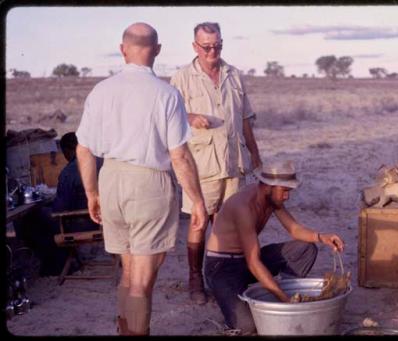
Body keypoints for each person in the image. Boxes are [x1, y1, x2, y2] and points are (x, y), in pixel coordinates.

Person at [75, 22, 208, 336]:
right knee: (141, 284)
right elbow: (180, 156)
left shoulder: (100, 91)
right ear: (157, 50)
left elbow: (83, 150)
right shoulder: (166, 93)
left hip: (110, 179)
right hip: (149, 184)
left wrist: (92, 193)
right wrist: (198, 201)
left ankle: (124, 331)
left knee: (128, 274)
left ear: (123, 49)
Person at [170, 21, 262, 305]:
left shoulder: (234, 74)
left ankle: (225, 277)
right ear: (195, 46)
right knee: (199, 221)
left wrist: (255, 152)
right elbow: (169, 116)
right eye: (206, 46)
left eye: (217, 45)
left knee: (230, 223)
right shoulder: (181, 77)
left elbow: (245, 118)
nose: (213, 51)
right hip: (202, 165)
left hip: (234, 163)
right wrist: (190, 117)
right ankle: (195, 279)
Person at [203, 160, 345, 334]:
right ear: (268, 186)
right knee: (248, 326)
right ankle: (276, 296)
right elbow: (253, 263)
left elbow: (294, 229)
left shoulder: (271, 199)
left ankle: (276, 293)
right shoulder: (244, 207)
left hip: (246, 260)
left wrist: (321, 237)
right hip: (222, 267)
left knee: (306, 248)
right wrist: (285, 301)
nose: (287, 196)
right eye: (284, 191)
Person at [13, 132, 101, 277]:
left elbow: (59, 209)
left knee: (31, 218)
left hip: (81, 223)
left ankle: (56, 263)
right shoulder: (99, 163)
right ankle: (62, 259)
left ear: (67, 150)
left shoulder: (69, 172)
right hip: (101, 220)